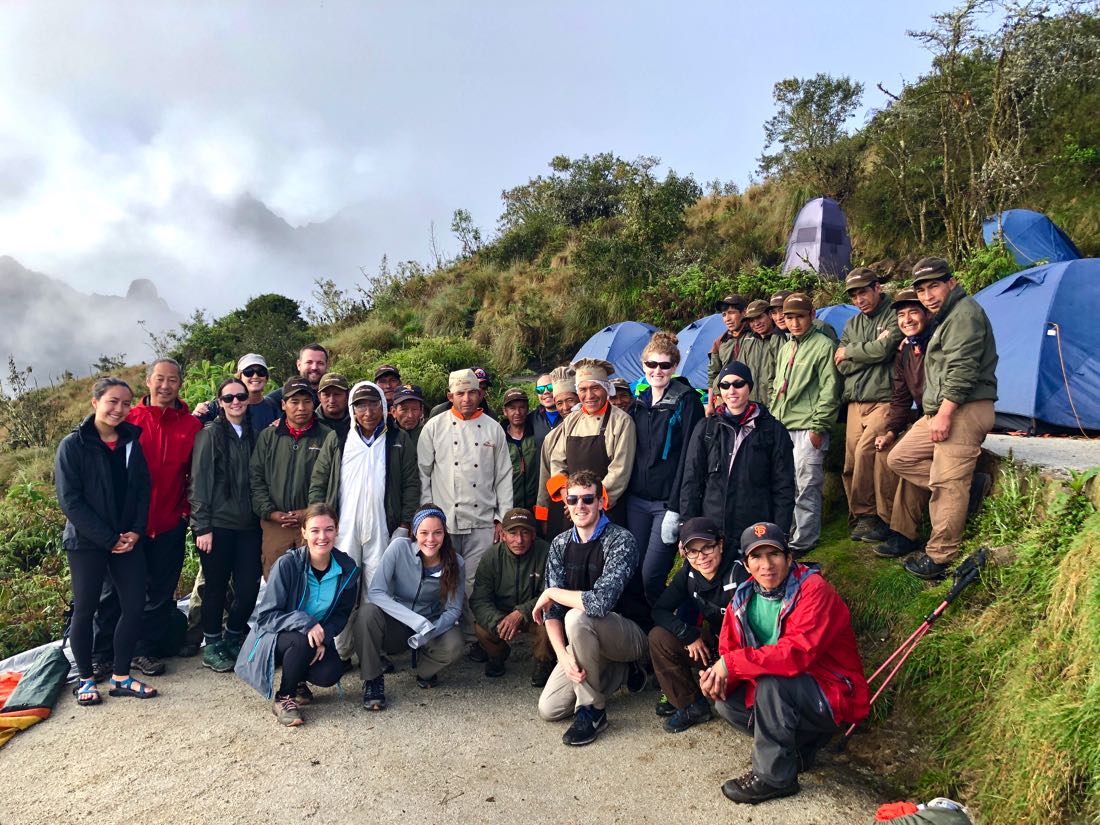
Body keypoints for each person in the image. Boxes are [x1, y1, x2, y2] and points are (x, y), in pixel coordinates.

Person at [701, 523, 869, 805]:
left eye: (774, 554)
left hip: (831, 691)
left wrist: (730, 663)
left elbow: (795, 654)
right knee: (726, 701)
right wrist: (718, 679)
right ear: (746, 563)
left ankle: (774, 777)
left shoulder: (814, 590)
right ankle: (798, 751)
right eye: (756, 557)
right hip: (790, 693)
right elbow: (729, 650)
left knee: (772, 680)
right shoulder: (742, 599)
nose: (766, 565)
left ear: (789, 558)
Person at [887, 257, 998, 579]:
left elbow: (963, 370)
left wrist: (945, 413)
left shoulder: (964, 314)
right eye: (921, 290)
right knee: (900, 457)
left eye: (933, 285)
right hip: (941, 409)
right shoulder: (945, 317)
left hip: (964, 408)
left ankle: (940, 558)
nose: (927, 295)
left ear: (951, 282)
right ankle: (970, 487)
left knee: (947, 485)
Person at [96, 357, 202, 678]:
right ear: (148, 381)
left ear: (180, 384)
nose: (165, 386)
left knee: (159, 591)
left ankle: (144, 650)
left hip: (169, 521)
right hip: (128, 524)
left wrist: (184, 511)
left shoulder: (191, 426)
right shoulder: (129, 419)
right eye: (160, 379)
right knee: (114, 590)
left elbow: (194, 475)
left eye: (172, 380)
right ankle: (102, 654)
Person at [56, 377, 155, 706]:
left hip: (127, 539)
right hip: (87, 542)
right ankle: (85, 679)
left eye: (126, 403)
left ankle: (122, 676)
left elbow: (143, 489)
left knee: (133, 605)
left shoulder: (130, 441)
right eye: (113, 401)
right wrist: (108, 538)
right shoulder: (74, 444)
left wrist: (136, 532)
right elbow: (70, 501)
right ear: (95, 402)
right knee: (85, 609)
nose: (120, 409)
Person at [533, 470, 649, 746]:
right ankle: (619, 672)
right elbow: (552, 611)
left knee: (577, 616)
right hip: (584, 637)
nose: (580, 506)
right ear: (566, 505)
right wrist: (562, 656)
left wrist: (550, 591)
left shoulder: (621, 540)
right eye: (573, 499)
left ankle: (593, 710)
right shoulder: (560, 544)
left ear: (601, 502)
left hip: (630, 634)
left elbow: (599, 604)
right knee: (550, 709)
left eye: (588, 499)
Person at [308, 380, 419, 660]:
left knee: (378, 590)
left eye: (373, 403)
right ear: (352, 409)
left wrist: (404, 524)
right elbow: (319, 481)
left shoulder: (397, 440)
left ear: (383, 405)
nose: (368, 411)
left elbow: (410, 483)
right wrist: (319, 521)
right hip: (344, 528)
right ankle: (342, 651)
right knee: (342, 588)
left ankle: (372, 651)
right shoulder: (340, 438)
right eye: (360, 405)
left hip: (382, 527)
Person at [235, 504, 359, 727]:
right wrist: (307, 623)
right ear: (303, 532)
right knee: (301, 640)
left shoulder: (347, 568)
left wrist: (324, 637)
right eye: (315, 530)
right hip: (276, 638)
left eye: (329, 529)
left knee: (330, 673)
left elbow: (341, 615)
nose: (322, 536)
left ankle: (299, 677)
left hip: (313, 638)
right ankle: (284, 698)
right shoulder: (288, 564)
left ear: (337, 530)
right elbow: (266, 616)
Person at [418, 368, 512, 651]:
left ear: (481, 394)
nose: (467, 398)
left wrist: (502, 518)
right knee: (441, 581)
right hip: (443, 522)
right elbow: (423, 473)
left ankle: (474, 639)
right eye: (460, 393)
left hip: (482, 520)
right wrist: (426, 517)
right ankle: (436, 637)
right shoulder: (434, 427)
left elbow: (504, 476)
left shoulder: (493, 428)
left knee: (475, 585)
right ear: (450, 396)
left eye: (472, 392)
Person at [358, 505, 466, 709]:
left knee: (455, 643)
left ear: (445, 534)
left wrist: (428, 631)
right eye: (424, 533)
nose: (431, 539)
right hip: (398, 625)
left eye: (437, 533)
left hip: (430, 627)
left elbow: (453, 610)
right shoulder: (399, 547)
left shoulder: (456, 562)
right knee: (366, 613)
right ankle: (372, 680)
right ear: (415, 532)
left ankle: (425, 670)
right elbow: (376, 592)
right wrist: (417, 622)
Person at [188, 377, 262, 673]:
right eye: (228, 398)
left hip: (249, 525)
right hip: (217, 525)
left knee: (247, 587)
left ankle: (233, 635)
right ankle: (212, 644)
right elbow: (199, 484)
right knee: (215, 587)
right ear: (219, 402)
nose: (235, 402)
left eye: (240, 397)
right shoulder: (209, 435)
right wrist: (201, 526)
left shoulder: (255, 434)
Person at [679, 361, 795, 550]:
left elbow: (784, 487)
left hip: (755, 530)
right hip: (712, 529)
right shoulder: (706, 428)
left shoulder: (773, 430)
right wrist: (687, 528)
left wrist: (780, 533)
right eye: (725, 385)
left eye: (738, 384)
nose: (731, 390)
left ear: (749, 386)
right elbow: (691, 482)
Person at [627, 331, 704, 605]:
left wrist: (677, 507)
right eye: (652, 364)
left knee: (652, 574)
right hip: (636, 501)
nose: (657, 371)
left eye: (664, 365)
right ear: (643, 365)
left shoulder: (687, 400)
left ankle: (666, 625)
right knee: (633, 571)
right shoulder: (638, 402)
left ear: (674, 367)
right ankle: (641, 630)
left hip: (665, 503)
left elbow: (690, 456)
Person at [649, 517, 747, 732]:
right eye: (693, 551)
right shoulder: (689, 572)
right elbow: (659, 610)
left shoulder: (742, 572)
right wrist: (688, 635)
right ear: (684, 552)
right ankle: (692, 705)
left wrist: (725, 665)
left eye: (707, 548)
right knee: (659, 637)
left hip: (743, 652)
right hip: (714, 644)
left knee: (726, 698)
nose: (701, 557)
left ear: (720, 544)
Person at [834, 268, 904, 543]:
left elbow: (885, 350)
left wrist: (853, 351)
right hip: (855, 401)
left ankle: (878, 516)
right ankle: (860, 516)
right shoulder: (852, 324)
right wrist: (871, 350)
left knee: (869, 453)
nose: (859, 299)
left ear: (877, 287)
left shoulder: (893, 314)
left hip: (883, 398)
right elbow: (840, 364)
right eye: (853, 295)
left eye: (863, 291)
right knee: (851, 460)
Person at [770, 293, 841, 555]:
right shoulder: (786, 346)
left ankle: (804, 541)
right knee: (784, 484)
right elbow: (776, 386)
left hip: (808, 426)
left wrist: (818, 427)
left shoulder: (823, 345)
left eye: (800, 316)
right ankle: (785, 534)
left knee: (807, 484)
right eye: (789, 317)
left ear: (812, 316)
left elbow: (830, 389)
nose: (795, 323)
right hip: (782, 426)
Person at [872, 287, 933, 559]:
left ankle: (959, 483)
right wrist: (891, 430)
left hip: (947, 416)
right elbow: (900, 397)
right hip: (924, 418)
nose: (906, 319)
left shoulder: (937, 344)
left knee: (903, 458)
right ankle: (901, 532)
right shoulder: (905, 351)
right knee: (898, 455)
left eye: (913, 312)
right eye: (901, 315)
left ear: (927, 314)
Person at [251, 377, 332, 578]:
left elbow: (331, 481)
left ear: (314, 404)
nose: (301, 408)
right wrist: (270, 512)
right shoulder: (268, 436)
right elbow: (256, 478)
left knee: (312, 578)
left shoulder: (327, 436)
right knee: (276, 578)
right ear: (283, 405)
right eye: (294, 402)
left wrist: (310, 512)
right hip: (275, 523)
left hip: (313, 524)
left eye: (306, 401)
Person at [548, 358, 636, 526]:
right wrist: (569, 497)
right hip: (573, 510)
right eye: (583, 389)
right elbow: (557, 461)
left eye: (595, 388)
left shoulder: (622, 421)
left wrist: (590, 503)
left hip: (606, 509)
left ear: (606, 388)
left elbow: (620, 472)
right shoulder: (572, 420)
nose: (589, 396)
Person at [470, 508, 554, 683]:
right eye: (512, 533)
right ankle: (498, 655)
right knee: (481, 628)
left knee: (551, 624)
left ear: (533, 534)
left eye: (525, 533)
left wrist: (521, 612)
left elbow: (552, 591)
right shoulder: (492, 557)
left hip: (535, 613)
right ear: (503, 534)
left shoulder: (546, 552)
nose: (519, 540)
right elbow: (479, 599)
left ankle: (543, 662)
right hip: (502, 613)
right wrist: (497, 620)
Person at [534, 366, 579, 540]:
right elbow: (545, 478)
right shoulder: (551, 437)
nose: (566, 407)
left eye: (571, 400)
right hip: (559, 509)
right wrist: (542, 517)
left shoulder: (597, 427)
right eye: (559, 403)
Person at [192, 353, 280, 432]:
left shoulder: (273, 405)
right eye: (248, 372)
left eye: (261, 372)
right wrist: (198, 412)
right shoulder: (220, 405)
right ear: (239, 378)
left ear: (266, 378)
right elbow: (192, 428)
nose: (255, 376)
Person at [500, 387, 539, 511]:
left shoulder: (537, 435)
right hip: (509, 508)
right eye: (512, 408)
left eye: (521, 407)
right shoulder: (499, 438)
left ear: (527, 409)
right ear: (505, 411)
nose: (517, 412)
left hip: (536, 506)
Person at [707, 294, 750, 395]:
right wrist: (710, 404)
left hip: (751, 396)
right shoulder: (720, 341)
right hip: (725, 397)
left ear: (744, 312)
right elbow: (712, 374)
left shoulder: (756, 337)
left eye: (731, 313)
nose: (727, 319)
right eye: (724, 314)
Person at [740, 299, 780, 405]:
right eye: (752, 320)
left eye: (759, 317)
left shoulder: (782, 340)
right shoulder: (748, 343)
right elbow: (740, 374)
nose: (756, 323)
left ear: (770, 315)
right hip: (752, 407)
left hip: (775, 405)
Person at [428, 366, 494, 419]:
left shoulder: (491, 416)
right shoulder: (438, 412)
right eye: (476, 387)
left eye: (484, 388)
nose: (480, 390)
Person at [316, 373, 351, 441]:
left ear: (348, 395)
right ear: (319, 396)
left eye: (337, 394)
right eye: (326, 395)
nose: (332, 400)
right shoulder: (309, 423)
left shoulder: (358, 423)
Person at [530, 372, 561, 450]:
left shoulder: (570, 414)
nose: (545, 392)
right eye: (540, 389)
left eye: (550, 387)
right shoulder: (532, 418)